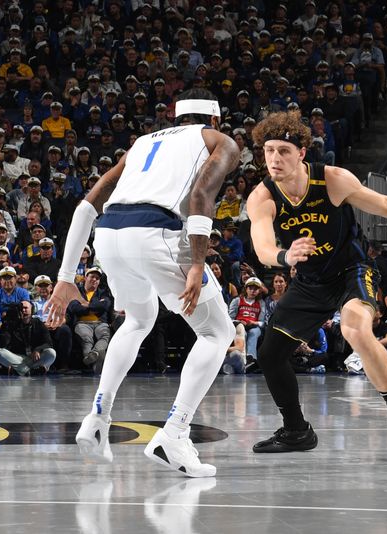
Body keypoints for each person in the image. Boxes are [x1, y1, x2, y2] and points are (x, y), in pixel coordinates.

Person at [44, 89, 240, 477]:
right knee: (218, 332)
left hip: (111, 234)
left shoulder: (141, 144)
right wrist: (198, 263)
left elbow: (87, 206)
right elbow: (202, 194)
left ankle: (97, 419)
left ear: (177, 116)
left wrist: (65, 277)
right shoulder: (220, 140)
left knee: (137, 320)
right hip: (155, 231)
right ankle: (175, 433)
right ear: (214, 119)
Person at [245, 109, 387, 451]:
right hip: (311, 281)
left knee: (354, 328)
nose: (274, 158)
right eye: (269, 150)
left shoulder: (331, 179)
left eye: (283, 150)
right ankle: (297, 430)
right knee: (269, 353)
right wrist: (285, 256)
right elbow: (262, 246)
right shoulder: (263, 197)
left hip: (351, 270)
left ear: (301, 152)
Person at [0, 300, 56, 376]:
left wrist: (38, 349)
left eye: (26, 308)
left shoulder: (38, 323)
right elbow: (1, 344)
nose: (23, 310)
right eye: (21, 309)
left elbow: (48, 343)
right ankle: (30, 371)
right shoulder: (12, 323)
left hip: (34, 358)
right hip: (18, 358)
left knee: (51, 353)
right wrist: (7, 322)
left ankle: (20, 370)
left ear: (32, 310)